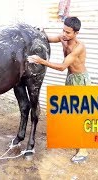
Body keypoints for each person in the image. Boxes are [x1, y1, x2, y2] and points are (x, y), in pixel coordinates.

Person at [28, 17, 90, 163]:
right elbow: (47, 38)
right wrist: (40, 30)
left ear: (76, 33)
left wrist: (41, 61)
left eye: (68, 32)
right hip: (70, 78)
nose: (64, 34)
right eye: (63, 30)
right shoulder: (63, 38)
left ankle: (83, 150)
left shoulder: (79, 47)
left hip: (80, 80)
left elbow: (62, 67)